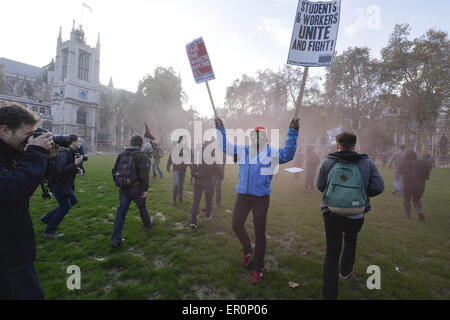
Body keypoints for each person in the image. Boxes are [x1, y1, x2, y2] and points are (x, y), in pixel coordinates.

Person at [216, 117, 299, 284]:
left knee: (259, 232)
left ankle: (258, 268)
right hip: (243, 196)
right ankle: (248, 250)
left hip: (261, 197)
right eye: (254, 136)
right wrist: (220, 129)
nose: (256, 138)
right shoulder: (243, 150)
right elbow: (225, 146)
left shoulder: (271, 153)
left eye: (260, 136)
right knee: (236, 224)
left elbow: (288, 154)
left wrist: (293, 132)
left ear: (265, 139)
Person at [316, 131, 384, 300]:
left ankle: (330, 295)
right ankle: (345, 272)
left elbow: (319, 185)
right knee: (351, 241)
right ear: (355, 145)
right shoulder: (366, 163)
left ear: (337, 145)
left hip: (332, 212)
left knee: (332, 252)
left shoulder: (328, 161)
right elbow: (379, 186)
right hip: (356, 213)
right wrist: (362, 194)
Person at [0, 102, 56, 299]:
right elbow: (11, 192)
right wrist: (35, 153)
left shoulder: (10, 153)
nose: (29, 141)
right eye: (27, 136)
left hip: (13, 249)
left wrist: (46, 159)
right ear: (4, 130)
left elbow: (25, 182)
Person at [111, 134, 154, 248]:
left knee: (121, 213)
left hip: (123, 188)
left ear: (131, 143)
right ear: (140, 144)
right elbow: (144, 174)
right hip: (136, 187)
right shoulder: (141, 155)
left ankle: (115, 239)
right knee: (142, 207)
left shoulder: (122, 154)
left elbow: (115, 170)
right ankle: (147, 223)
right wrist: (145, 189)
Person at [40, 134, 84, 238]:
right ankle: (49, 231)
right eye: (79, 141)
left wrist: (79, 169)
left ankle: (47, 218)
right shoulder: (64, 153)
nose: (80, 143)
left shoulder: (74, 153)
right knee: (65, 206)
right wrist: (74, 165)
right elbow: (60, 171)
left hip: (65, 184)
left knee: (73, 201)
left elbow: (69, 169)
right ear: (73, 143)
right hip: (57, 183)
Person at [189, 140, 222, 229]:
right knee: (209, 199)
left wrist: (194, 174)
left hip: (198, 180)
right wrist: (220, 176)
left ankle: (193, 221)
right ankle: (207, 216)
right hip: (209, 181)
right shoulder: (213, 152)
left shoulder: (197, 152)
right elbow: (219, 166)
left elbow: (191, 164)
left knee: (196, 201)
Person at [399, 151, 432, 221]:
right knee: (416, 199)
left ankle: (407, 215)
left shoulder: (405, 162)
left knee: (407, 199)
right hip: (420, 185)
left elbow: (399, 171)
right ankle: (419, 211)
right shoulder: (419, 163)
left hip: (408, 184)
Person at [167, 136, 189, 206]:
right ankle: (174, 199)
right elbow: (170, 158)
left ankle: (180, 198)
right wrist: (168, 167)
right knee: (176, 184)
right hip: (176, 169)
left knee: (181, 185)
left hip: (183, 170)